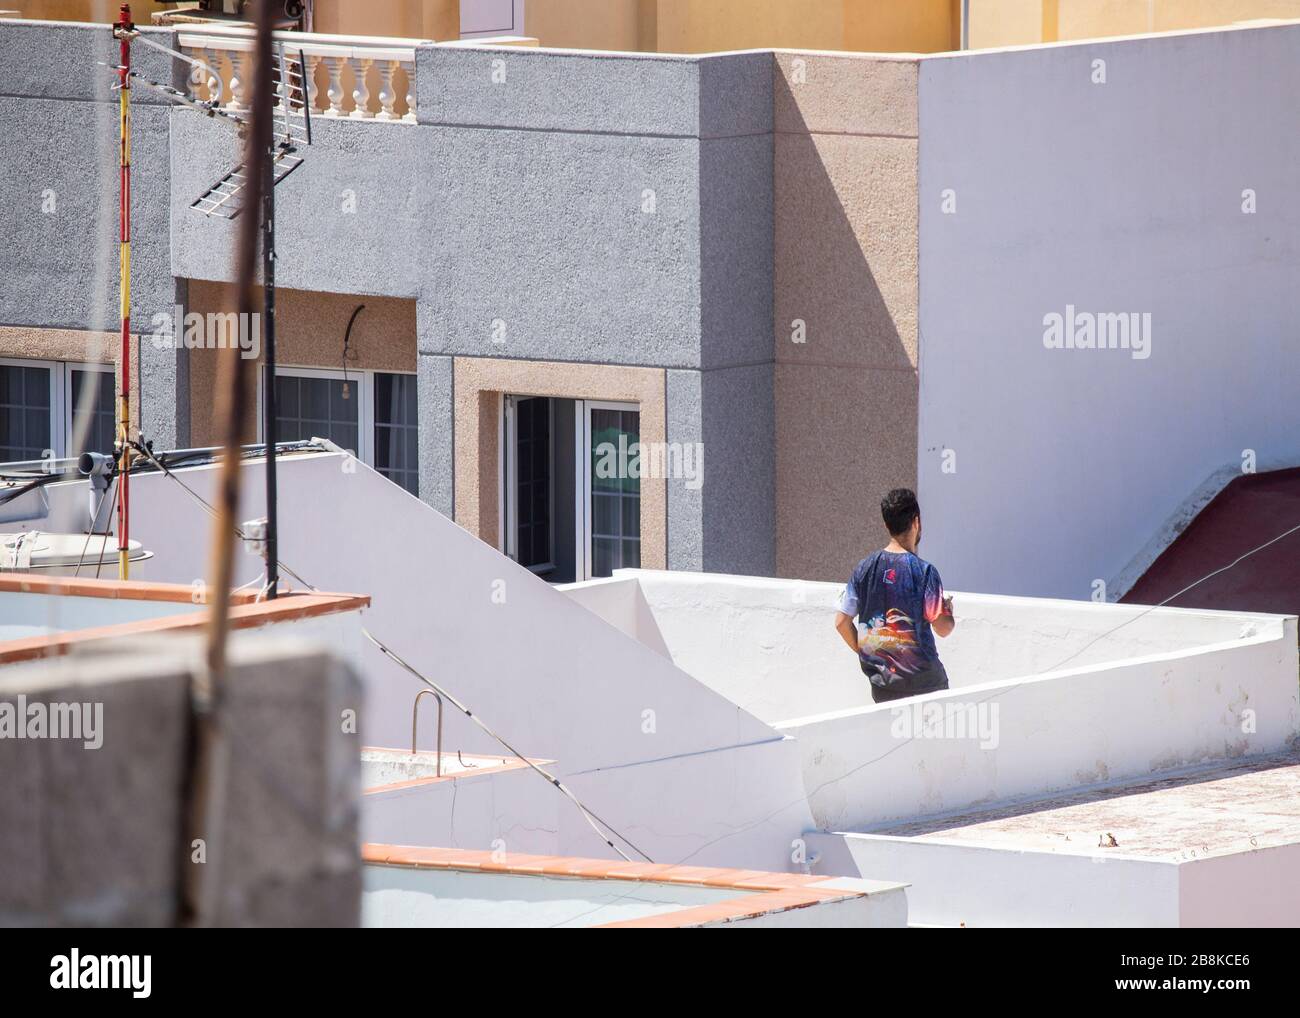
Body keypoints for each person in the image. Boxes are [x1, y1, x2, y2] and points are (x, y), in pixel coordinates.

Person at [833, 488, 955, 703]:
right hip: (927, 686)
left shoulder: (865, 568)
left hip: (883, 687)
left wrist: (869, 655)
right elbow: (943, 628)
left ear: (886, 525)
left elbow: (842, 622)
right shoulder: (924, 572)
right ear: (916, 521)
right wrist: (946, 610)